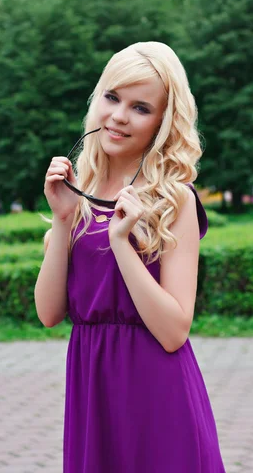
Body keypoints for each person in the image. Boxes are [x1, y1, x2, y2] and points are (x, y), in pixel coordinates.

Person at [34, 41, 226, 472]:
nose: (119, 116)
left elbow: (174, 330)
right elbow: (49, 313)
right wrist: (62, 220)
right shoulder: (77, 196)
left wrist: (123, 244)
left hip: (157, 392)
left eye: (141, 108)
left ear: (163, 121)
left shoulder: (174, 199)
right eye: (112, 97)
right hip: (92, 389)